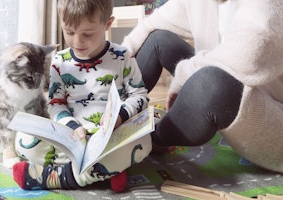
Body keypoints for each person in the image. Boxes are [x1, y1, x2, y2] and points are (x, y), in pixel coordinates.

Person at [121, 0, 283, 173]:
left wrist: (182, 78)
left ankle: (154, 139)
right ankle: (114, 118)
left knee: (209, 84)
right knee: (159, 39)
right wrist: (111, 65)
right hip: (229, 91)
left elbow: (243, 59)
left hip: (273, 119)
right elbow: (150, 24)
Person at [12, 0, 151, 192]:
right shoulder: (60, 60)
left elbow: (139, 95)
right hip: (71, 136)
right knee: (23, 141)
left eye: (87, 34)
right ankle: (103, 171)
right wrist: (71, 126)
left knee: (143, 142)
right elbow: (55, 103)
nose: (77, 42)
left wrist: (120, 116)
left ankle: (52, 176)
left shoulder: (123, 55)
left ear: (107, 24)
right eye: (69, 32)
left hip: (110, 135)